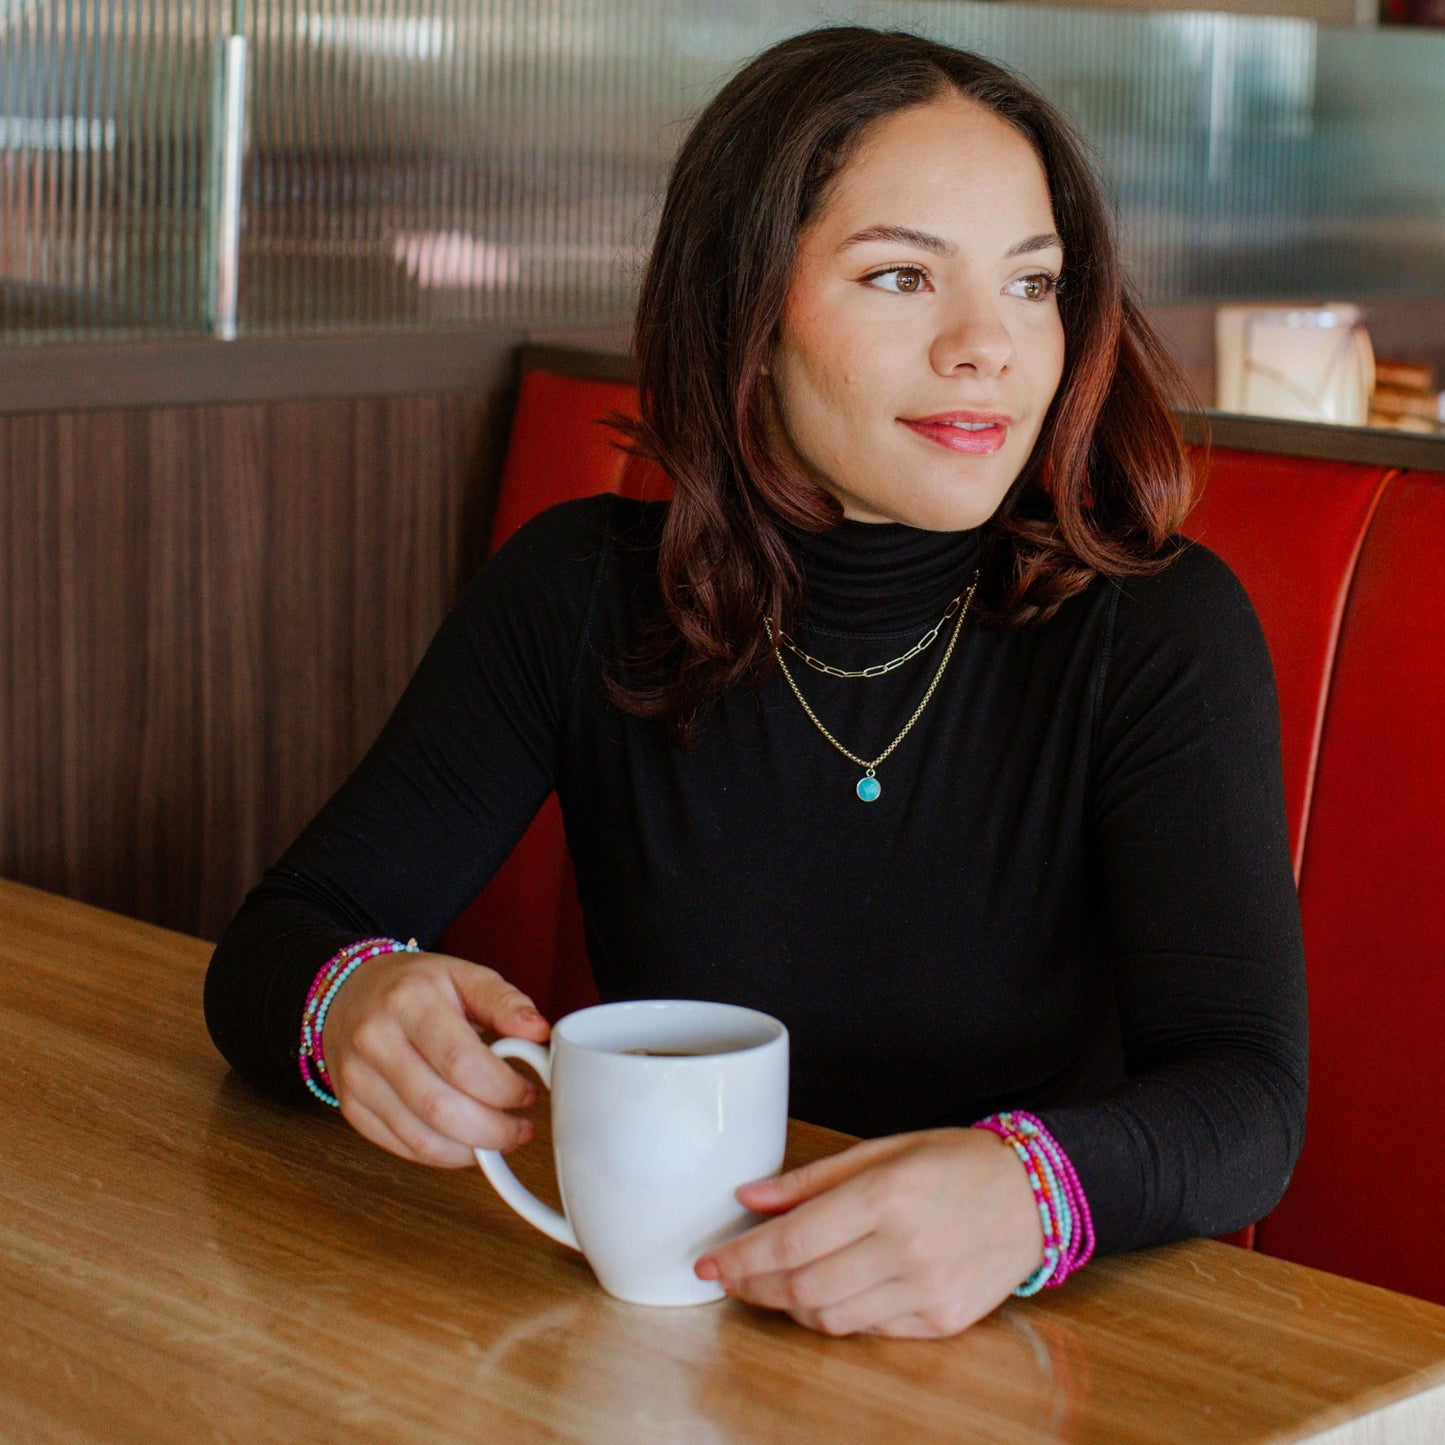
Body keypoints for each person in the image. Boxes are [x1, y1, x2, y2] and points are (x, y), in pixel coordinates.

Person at [205, 27, 1306, 1340]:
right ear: (744, 308)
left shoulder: (1157, 628)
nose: (987, 346)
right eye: (901, 275)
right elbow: (283, 937)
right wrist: (351, 1007)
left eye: (1031, 283)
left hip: (1020, 1346)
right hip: (656, 1330)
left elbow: (1247, 1097)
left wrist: (1026, 1191)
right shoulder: (579, 594)